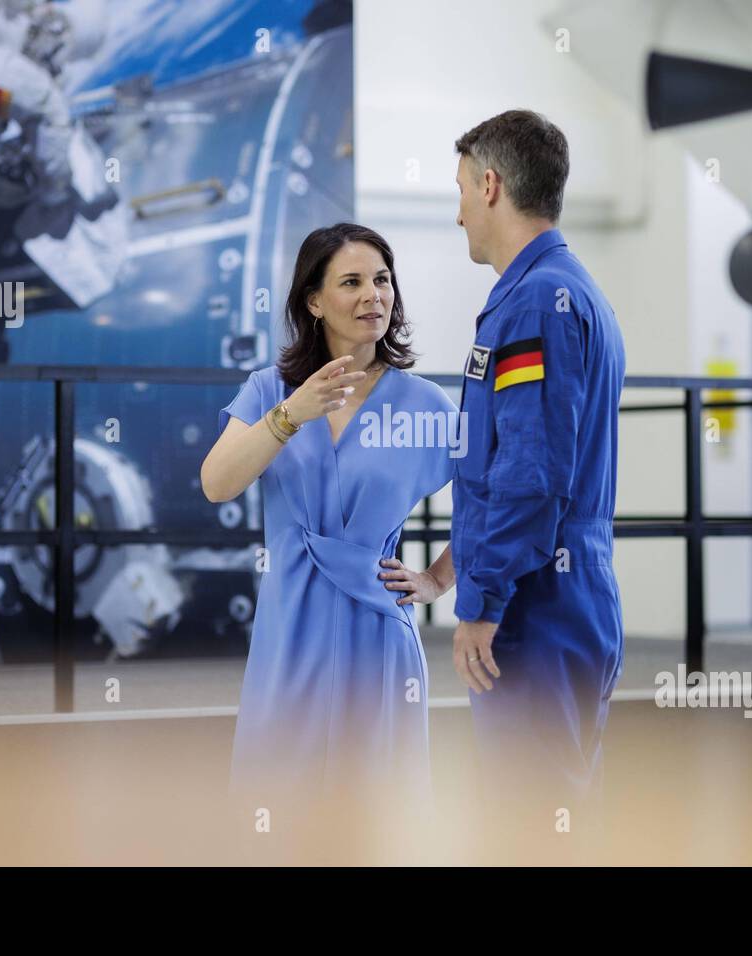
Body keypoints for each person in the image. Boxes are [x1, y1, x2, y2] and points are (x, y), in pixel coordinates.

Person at [201, 222, 460, 842]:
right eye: (352, 282)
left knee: (376, 824)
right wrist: (291, 416)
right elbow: (217, 482)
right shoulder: (272, 390)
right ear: (313, 301)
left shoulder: (425, 404)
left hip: (381, 635)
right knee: (279, 818)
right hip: (290, 634)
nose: (374, 294)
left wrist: (437, 580)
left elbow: (492, 503)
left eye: (382, 279)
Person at [449, 109, 627, 837]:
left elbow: (529, 471)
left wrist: (482, 602)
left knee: (527, 826)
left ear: (491, 186)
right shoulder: (569, 290)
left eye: (460, 189)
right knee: (556, 816)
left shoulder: (533, 304)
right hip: (567, 587)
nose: (456, 211)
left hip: (534, 602)